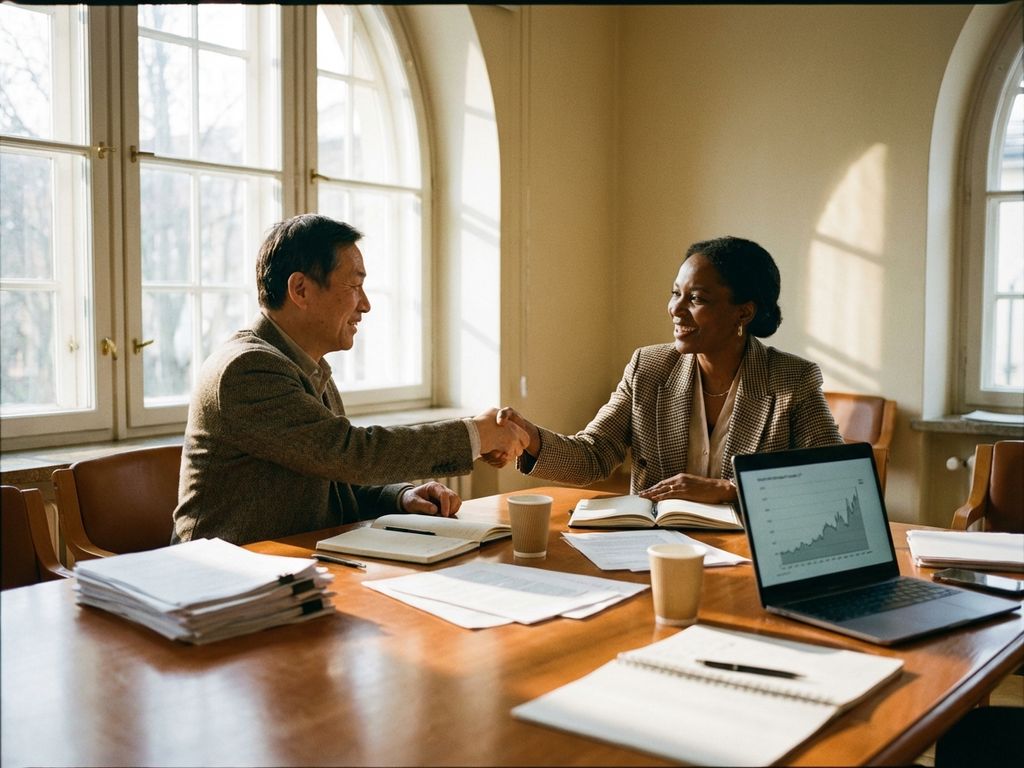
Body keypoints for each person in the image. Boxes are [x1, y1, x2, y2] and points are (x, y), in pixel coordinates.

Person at [173, 214, 528, 545]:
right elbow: (350, 454)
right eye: (355, 286)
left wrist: (401, 496)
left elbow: (330, 474)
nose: (366, 305)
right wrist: (475, 434)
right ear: (300, 290)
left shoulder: (305, 365)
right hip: (224, 584)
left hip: (290, 572)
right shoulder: (247, 369)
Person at [494, 236, 842, 505]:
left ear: (744, 312)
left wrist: (728, 490)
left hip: (749, 554)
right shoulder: (649, 368)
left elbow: (831, 478)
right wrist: (531, 438)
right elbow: (594, 455)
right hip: (655, 548)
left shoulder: (791, 380)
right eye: (676, 293)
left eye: (697, 299)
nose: (676, 309)